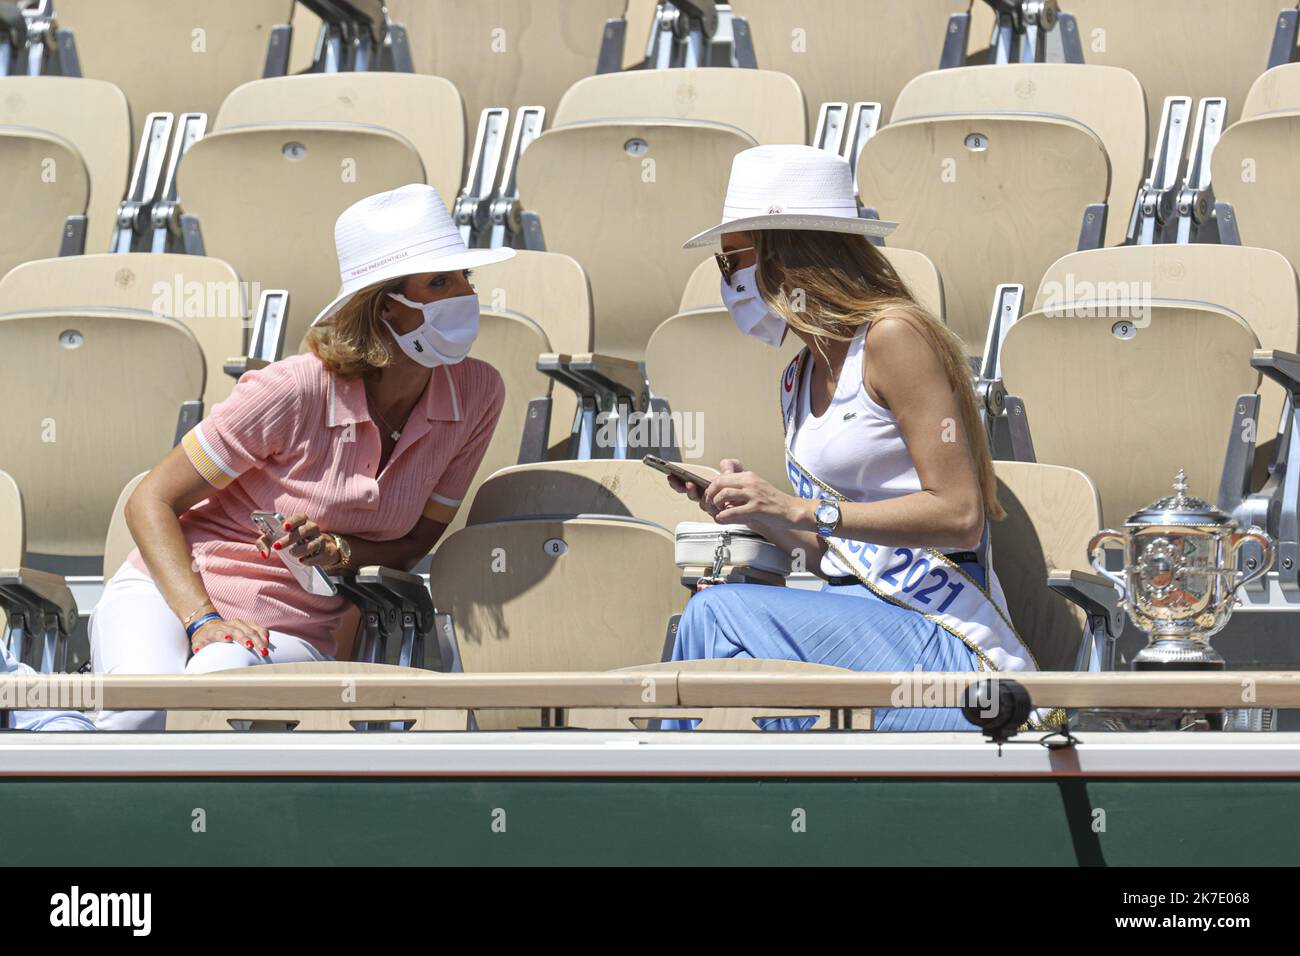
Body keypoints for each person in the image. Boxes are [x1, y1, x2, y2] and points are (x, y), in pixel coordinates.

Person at [89, 183, 512, 730]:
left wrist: (336, 551)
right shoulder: (292, 389)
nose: (466, 293)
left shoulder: (479, 392)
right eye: (440, 281)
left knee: (223, 673)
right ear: (386, 306)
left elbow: (414, 542)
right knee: (132, 718)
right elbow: (151, 500)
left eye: (464, 278)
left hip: (295, 627)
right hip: (169, 596)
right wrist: (202, 619)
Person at [663, 145, 1051, 732]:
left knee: (716, 617)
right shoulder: (798, 375)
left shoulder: (895, 338)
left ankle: (669, 798)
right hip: (861, 618)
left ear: (786, 253)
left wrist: (797, 507)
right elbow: (835, 557)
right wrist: (759, 512)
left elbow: (960, 514)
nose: (729, 281)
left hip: (940, 637)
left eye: (731, 261)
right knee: (751, 678)